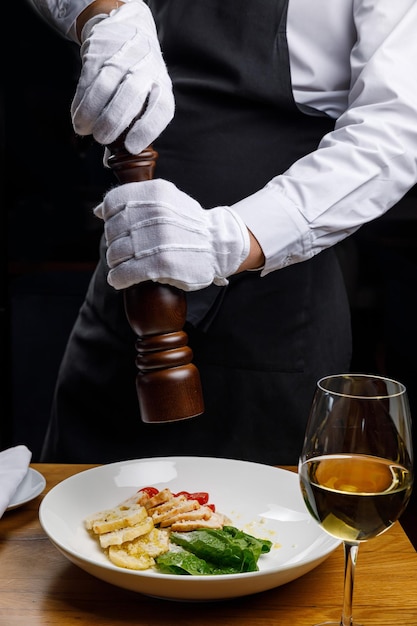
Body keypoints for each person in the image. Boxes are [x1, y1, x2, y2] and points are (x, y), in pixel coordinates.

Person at [27, 0, 417, 464]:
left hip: (273, 314)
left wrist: (232, 238)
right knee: (69, 512)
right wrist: (101, 13)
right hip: (127, 279)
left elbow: (394, 128)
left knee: (256, 527)